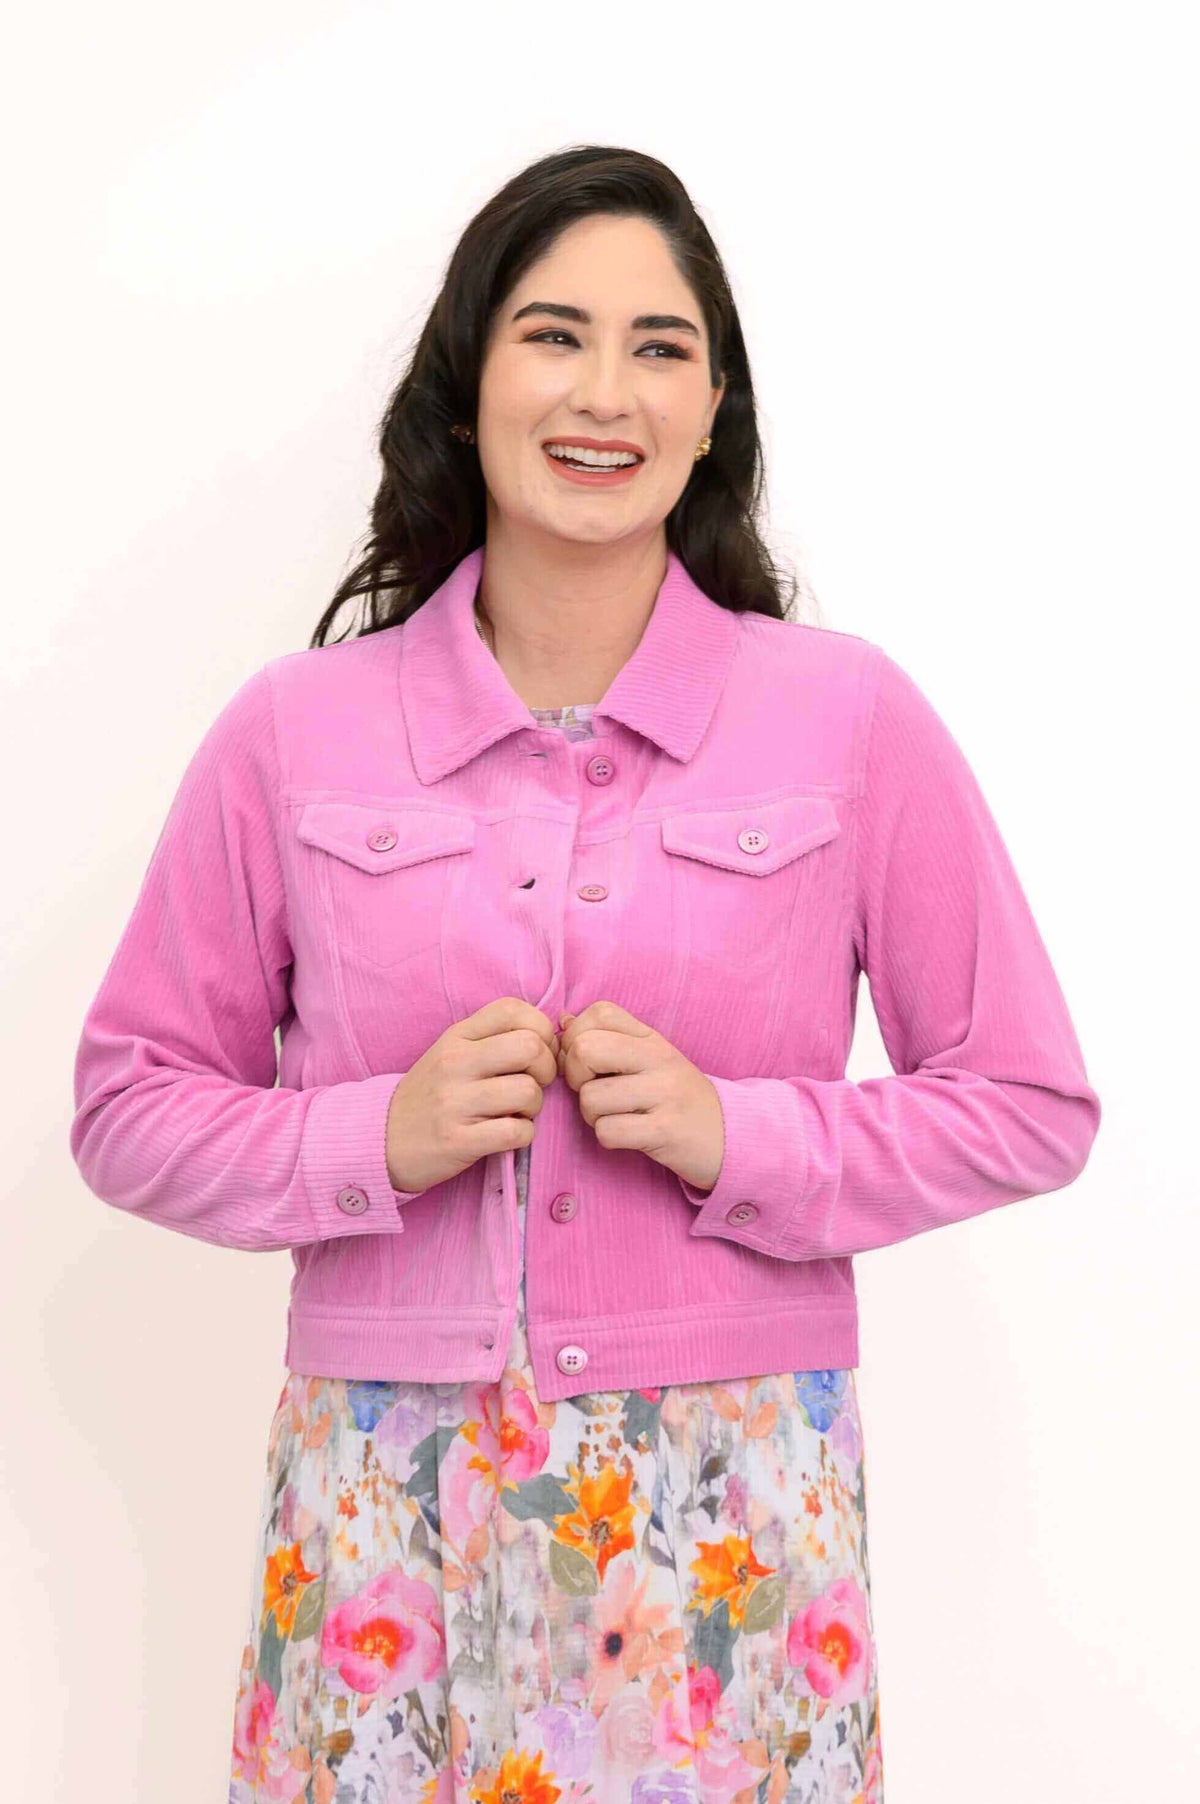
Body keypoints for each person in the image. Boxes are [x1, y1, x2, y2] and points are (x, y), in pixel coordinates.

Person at [70, 145, 1101, 1803]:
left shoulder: (845, 722)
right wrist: (366, 1142)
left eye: (661, 347)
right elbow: (126, 1107)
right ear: (467, 380)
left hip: (727, 1543)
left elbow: (1030, 1101)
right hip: (381, 1528)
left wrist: (744, 1136)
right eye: (554, 334)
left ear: (712, 414)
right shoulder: (296, 732)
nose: (604, 390)